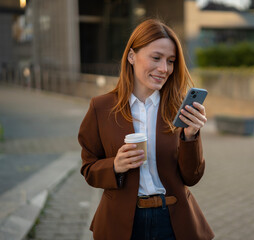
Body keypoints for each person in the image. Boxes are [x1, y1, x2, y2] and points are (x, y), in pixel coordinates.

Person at [78, 18, 214, 240]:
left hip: (172, 221)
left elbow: (192, 177)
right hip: (122, 224)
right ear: (132, 56)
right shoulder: (101, 107)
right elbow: (88, 169)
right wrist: (115, 165)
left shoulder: (178, 108)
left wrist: (191, 136)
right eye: (156, 58)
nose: (164, 69)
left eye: (170, 61)